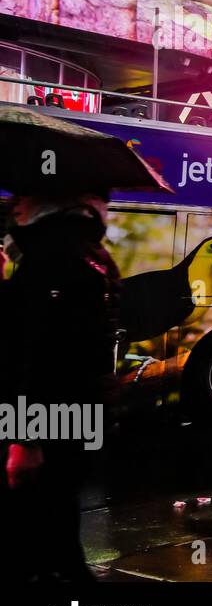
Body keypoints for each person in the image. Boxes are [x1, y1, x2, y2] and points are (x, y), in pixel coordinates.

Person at [0, 191, 120, 583]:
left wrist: (23, 441)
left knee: (36, 529)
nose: (16, 202)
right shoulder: (94, 259)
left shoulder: (47, 261)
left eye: (25, 196)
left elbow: (34, 353)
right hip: (78, 416)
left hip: (44, 420)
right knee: (59, 520)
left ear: (51, 204)